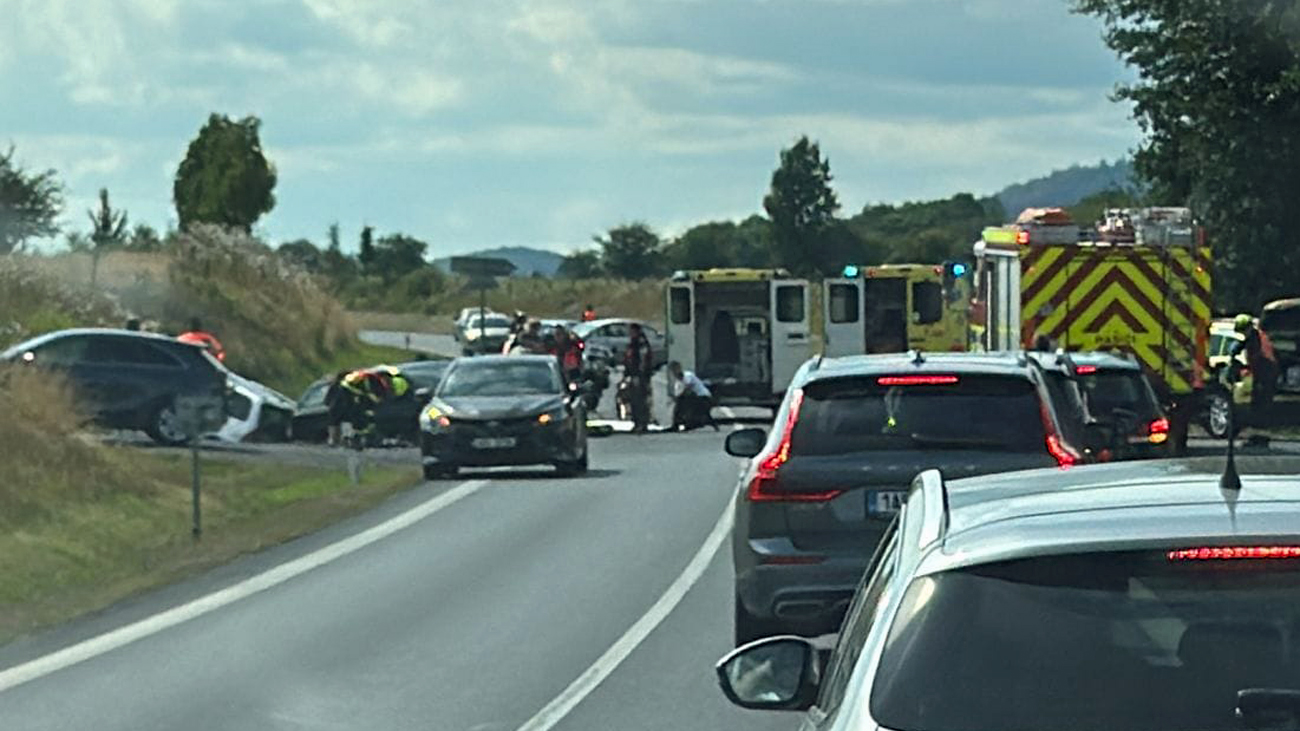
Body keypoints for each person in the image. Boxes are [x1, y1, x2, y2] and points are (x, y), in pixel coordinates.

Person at [1232, 313, 1278, 415]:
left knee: (1262, 397)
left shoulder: (1259, 340)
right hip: (1261, 370)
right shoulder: (1253, 336)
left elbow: (1260, 357)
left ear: (1248, 328)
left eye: (1243, 331)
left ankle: (1263, 418)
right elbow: (1243, 344)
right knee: (1257, 396)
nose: (1243, 334)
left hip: (1266, 371)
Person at [623, 323, 655, 432]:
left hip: (639, 376)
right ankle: (637, 422)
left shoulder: (640, 344)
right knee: (634, 400)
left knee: (639, 400)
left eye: (631, 331)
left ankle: (642, 423)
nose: (630, 333)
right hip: (634, 375)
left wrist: (639, 375)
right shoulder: (633, 343)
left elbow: (642, 361)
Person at [669, 360, 717, 431]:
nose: (675, 372)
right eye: (673, 370)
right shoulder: (678, 382)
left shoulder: (688, 375)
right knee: (680, 404)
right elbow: (678, 393)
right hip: (695, 398)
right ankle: (677, 423)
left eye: (676, 369)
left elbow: (688, 388)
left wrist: (679, 396)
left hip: (704, 397)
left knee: (687, 403)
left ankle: (687, 422)